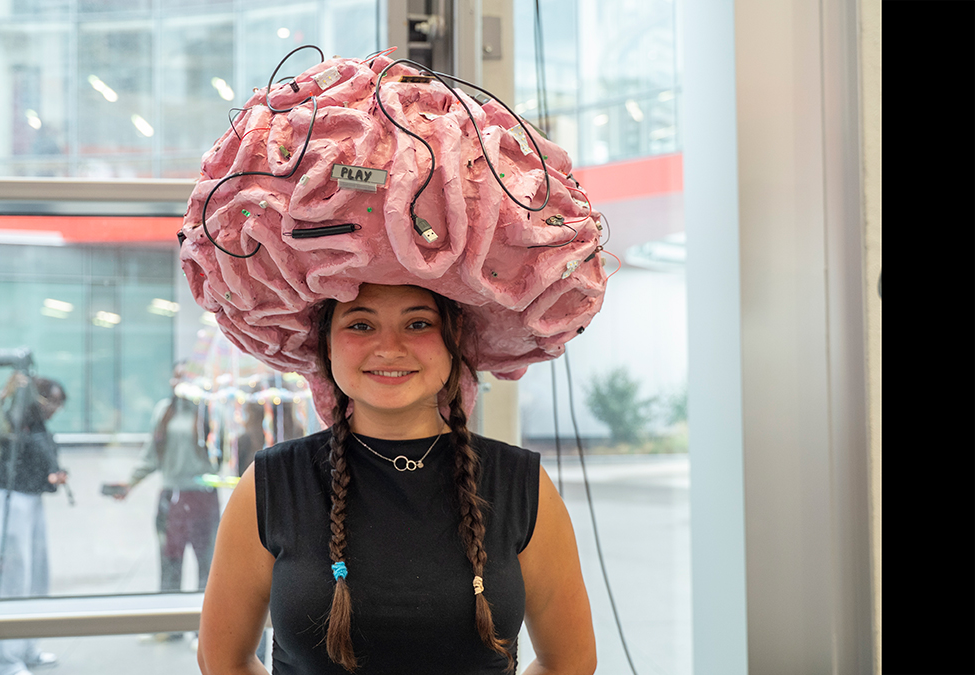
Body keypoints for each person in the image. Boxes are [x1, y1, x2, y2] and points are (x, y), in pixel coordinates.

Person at [182, 49, 609, 673]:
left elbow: (571, 664)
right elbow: (223, 661)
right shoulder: (271, 488)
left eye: (418, 323)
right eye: (360, 324)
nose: (390, 347)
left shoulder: (521, 490)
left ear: (455, 342)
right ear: (326, 347)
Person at [0, 372, 67, 675]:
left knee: (36, 577)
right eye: (52, 402)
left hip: (32, 499)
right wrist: (4, 393)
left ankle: (26, 649)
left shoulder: (38, 425)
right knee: (9, 582)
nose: (54, 410)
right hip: (9, 498)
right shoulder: (11, 413)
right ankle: (3, 662)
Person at [106, 362, 220, 597]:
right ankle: (172, 631)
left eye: (186, 378)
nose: (178, 383)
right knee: (170, 561)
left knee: (208, 566)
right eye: (176, 378)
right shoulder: (164, 410)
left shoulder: (212, 412)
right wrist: (130, 483)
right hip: (172, 497)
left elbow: (228, 453)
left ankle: (205, 629)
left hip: (203, 497)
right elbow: (151, 454)